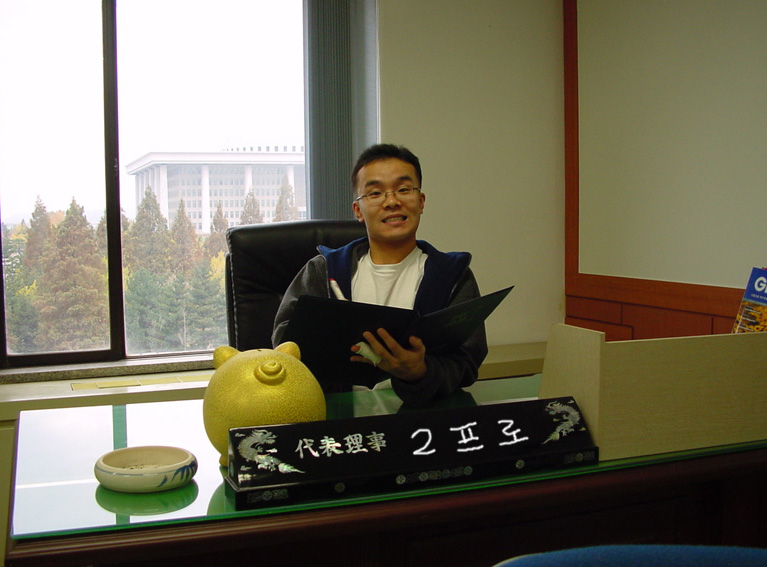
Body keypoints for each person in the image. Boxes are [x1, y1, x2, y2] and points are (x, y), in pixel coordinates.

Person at [272, 144, 488, 406]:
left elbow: (467, 360)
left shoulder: (452, 275)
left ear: (421, 202)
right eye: (375, 193)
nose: (392, 201)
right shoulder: (324, 270)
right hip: (337, 420)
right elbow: (286, 343)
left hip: (421, 421)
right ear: (358, 210)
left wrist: (420, 372)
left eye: (404, 189)